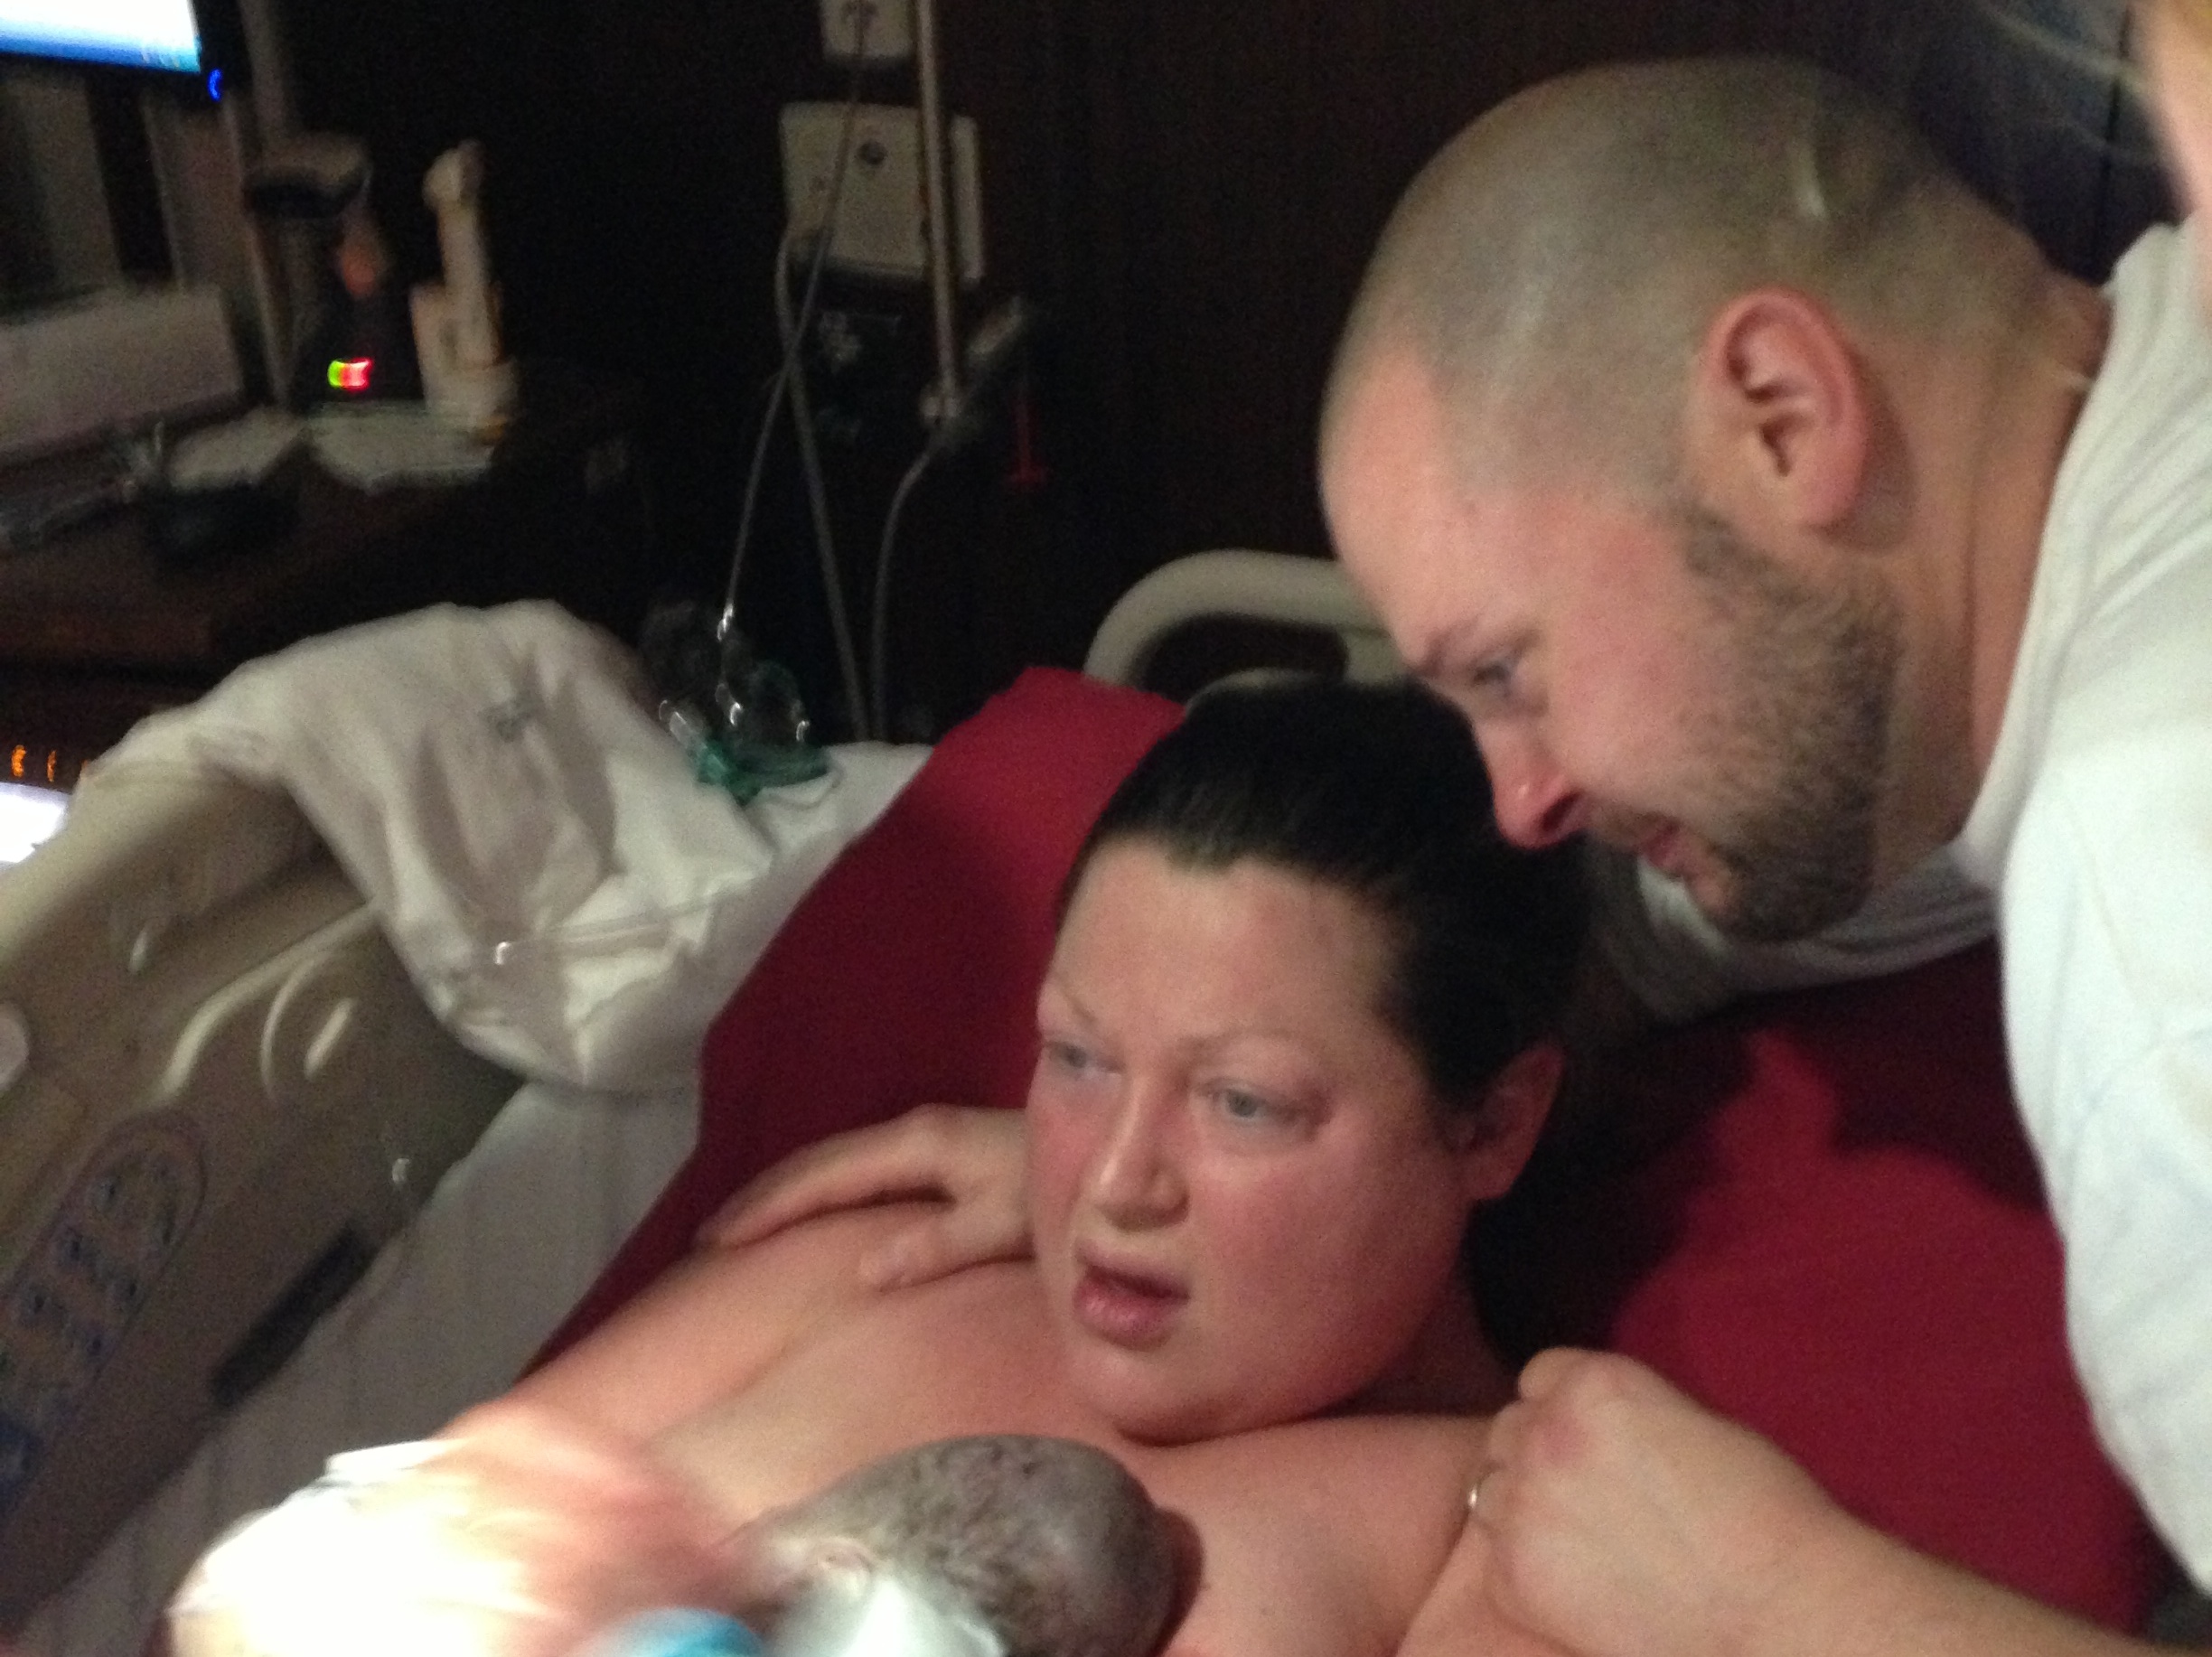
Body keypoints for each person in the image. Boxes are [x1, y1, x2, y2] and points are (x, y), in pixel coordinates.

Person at [717, 42, 2212, 1657]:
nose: (1521, 795)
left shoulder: (2153, 904)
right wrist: (1173, 1128)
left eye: (1512, 671)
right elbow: (1632, 931)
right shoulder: (2138, 403)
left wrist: (1771, 1595)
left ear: (1785, 418)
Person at [173, 678, 1588, 1657]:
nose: (1113, 1183)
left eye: (1243, 1103)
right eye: (1078, 1058)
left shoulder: (1497, 1537)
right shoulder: (880, 1257)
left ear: (1495, 1125)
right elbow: (287, 1593)